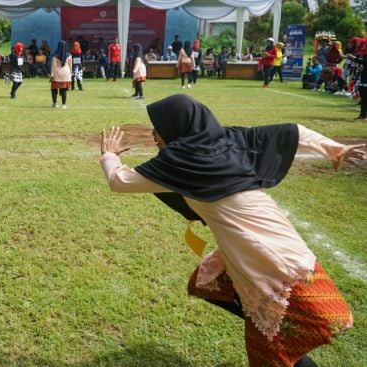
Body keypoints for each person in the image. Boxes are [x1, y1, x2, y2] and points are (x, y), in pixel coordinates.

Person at [100, 94, 363, 367]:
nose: (154, 135)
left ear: (176, 126)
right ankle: (267, 324)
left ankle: (274, 331)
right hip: (257, 249)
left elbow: (119, 181)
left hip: (271, 259)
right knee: (207, 284)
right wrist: (332, 148)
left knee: (279, 348)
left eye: (159, 126)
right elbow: (294, 132)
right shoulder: (229, 139)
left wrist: (109, 155)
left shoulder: (180, 160)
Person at [49, 41, 72, 109]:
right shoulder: (69, 55)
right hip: (66, 74)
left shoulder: (55, 55)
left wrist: (52, 76)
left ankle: (55, 103)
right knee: (63, 89)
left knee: (54, 89)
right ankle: (64, 105)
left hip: (57, 74)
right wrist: (70, 74)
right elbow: (70, 66)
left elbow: (54, 67)